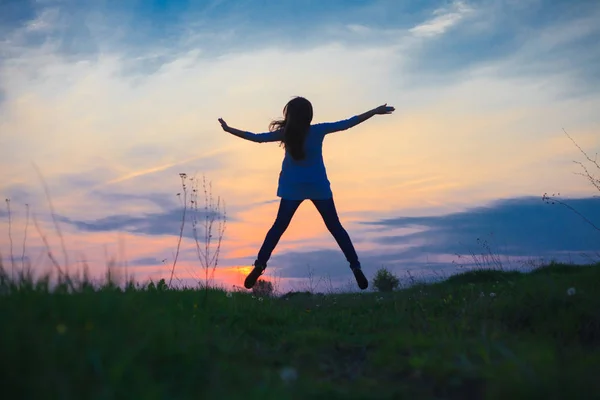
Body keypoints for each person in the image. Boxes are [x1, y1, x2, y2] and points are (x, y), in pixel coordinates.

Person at [218, 97, 395, 290]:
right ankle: (355, 267)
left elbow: (256, 137)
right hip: (318, 186)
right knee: (336, 228)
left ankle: (260, 264)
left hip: (292, 188)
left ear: (290, 115)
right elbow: (348, 123)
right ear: (309, 115)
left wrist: (229, 130)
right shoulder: (318, 130)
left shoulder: (286, 134)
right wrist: (374, 111)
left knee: (278, 228)